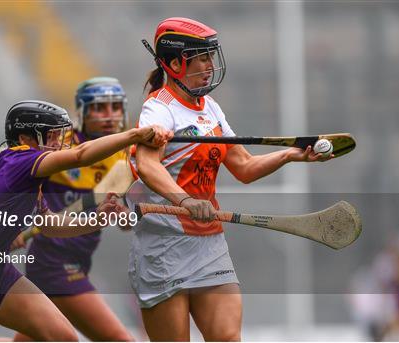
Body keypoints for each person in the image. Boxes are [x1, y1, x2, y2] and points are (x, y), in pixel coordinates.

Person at [126, 17, 332, 341]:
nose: (210, 65)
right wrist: (186, 200)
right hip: (163, 247)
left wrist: (291, 154)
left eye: (211, 56)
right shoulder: (159, 110)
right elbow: (147, 165)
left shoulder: (210, 108)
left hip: (209, 245)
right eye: (202, 57)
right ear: (177, 63)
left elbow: (244, 167)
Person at [0, 100, 171, 341]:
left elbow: (50, 225)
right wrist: (134, 135)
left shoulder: (26, 175)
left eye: (59, 135)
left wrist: (98, 219)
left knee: (63, 337)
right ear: (24, 138)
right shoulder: (20, 160)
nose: (58, 143)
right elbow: (81, 155)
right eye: (51, 136)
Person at [12, 78, 134, 341]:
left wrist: (123, 216)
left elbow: (119, 214)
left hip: (80, 259)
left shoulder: (123, 156)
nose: (109, 116)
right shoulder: (58, 143)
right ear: (82, 110)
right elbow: (18, 183)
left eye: (115, 107)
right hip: (55, 262)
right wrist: (12, 228)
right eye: (100, 108)